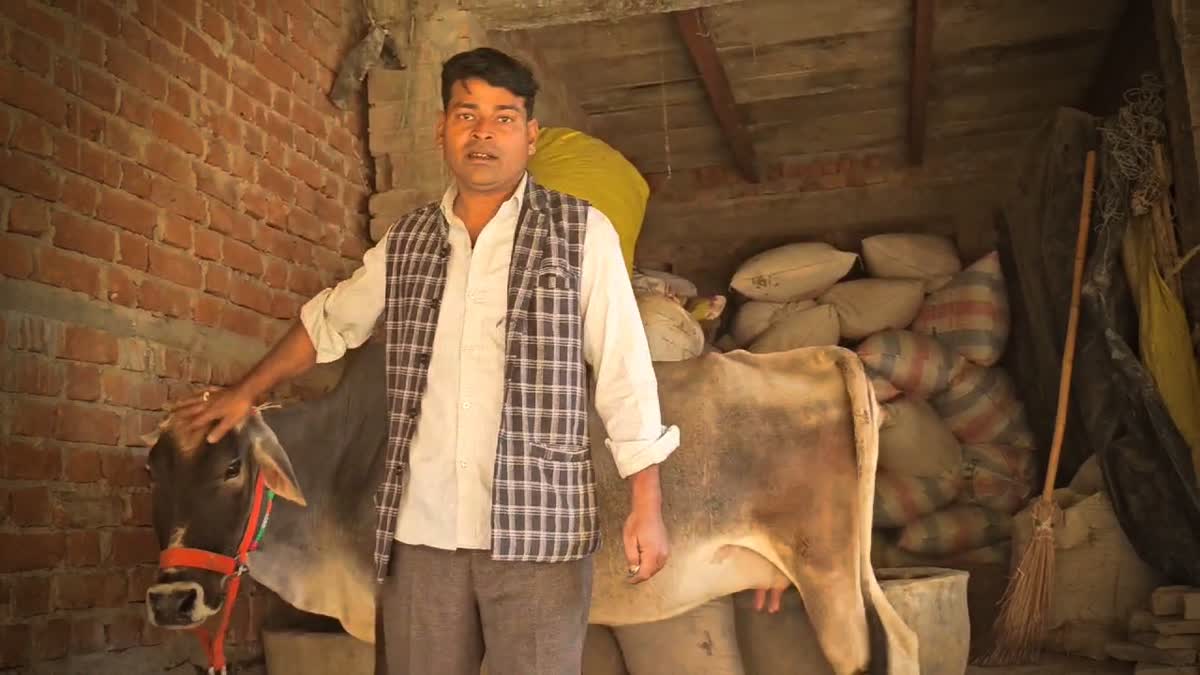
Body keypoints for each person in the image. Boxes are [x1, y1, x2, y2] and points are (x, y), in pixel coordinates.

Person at [172, 47, 680, 674]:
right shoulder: (408, 242)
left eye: (504, 117)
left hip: (540, 530)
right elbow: (329, 323)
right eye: (468, 116)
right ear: (441, 129)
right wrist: (246, 392)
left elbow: (626, 370)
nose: (484, 134)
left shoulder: (581, 234)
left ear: (530, 135)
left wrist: (646, 507)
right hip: (422, 533)